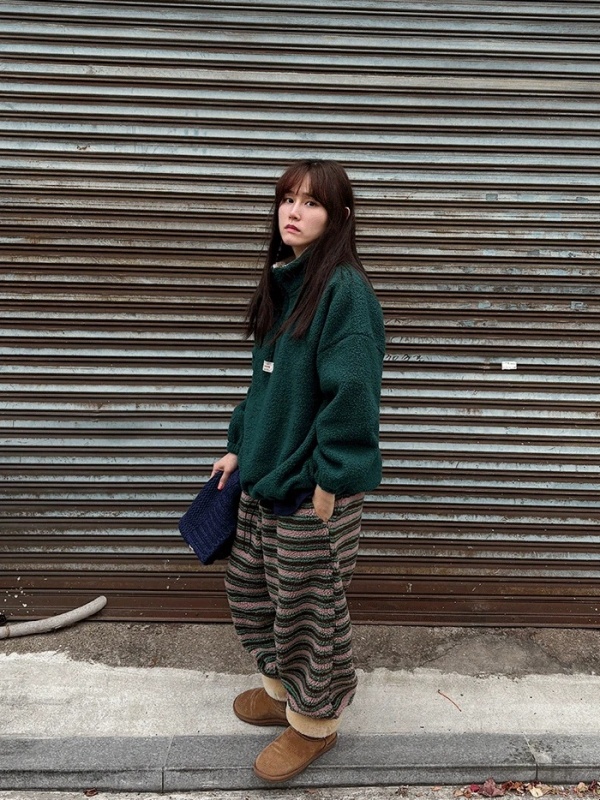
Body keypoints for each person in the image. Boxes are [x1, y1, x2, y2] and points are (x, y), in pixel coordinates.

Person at [211, 158, 385, 783]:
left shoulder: (345, 293)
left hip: (312, 487)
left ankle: (315, 722)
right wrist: (239, 445)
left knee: (309, 611)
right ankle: (282, 691)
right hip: (264, 477)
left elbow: (354, 396)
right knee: (253, 590)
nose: (294, 211)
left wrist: (331, 480)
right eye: (288, 198)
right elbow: (264, 386)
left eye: (311, 202)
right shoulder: (287, 281)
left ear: (339, 217)